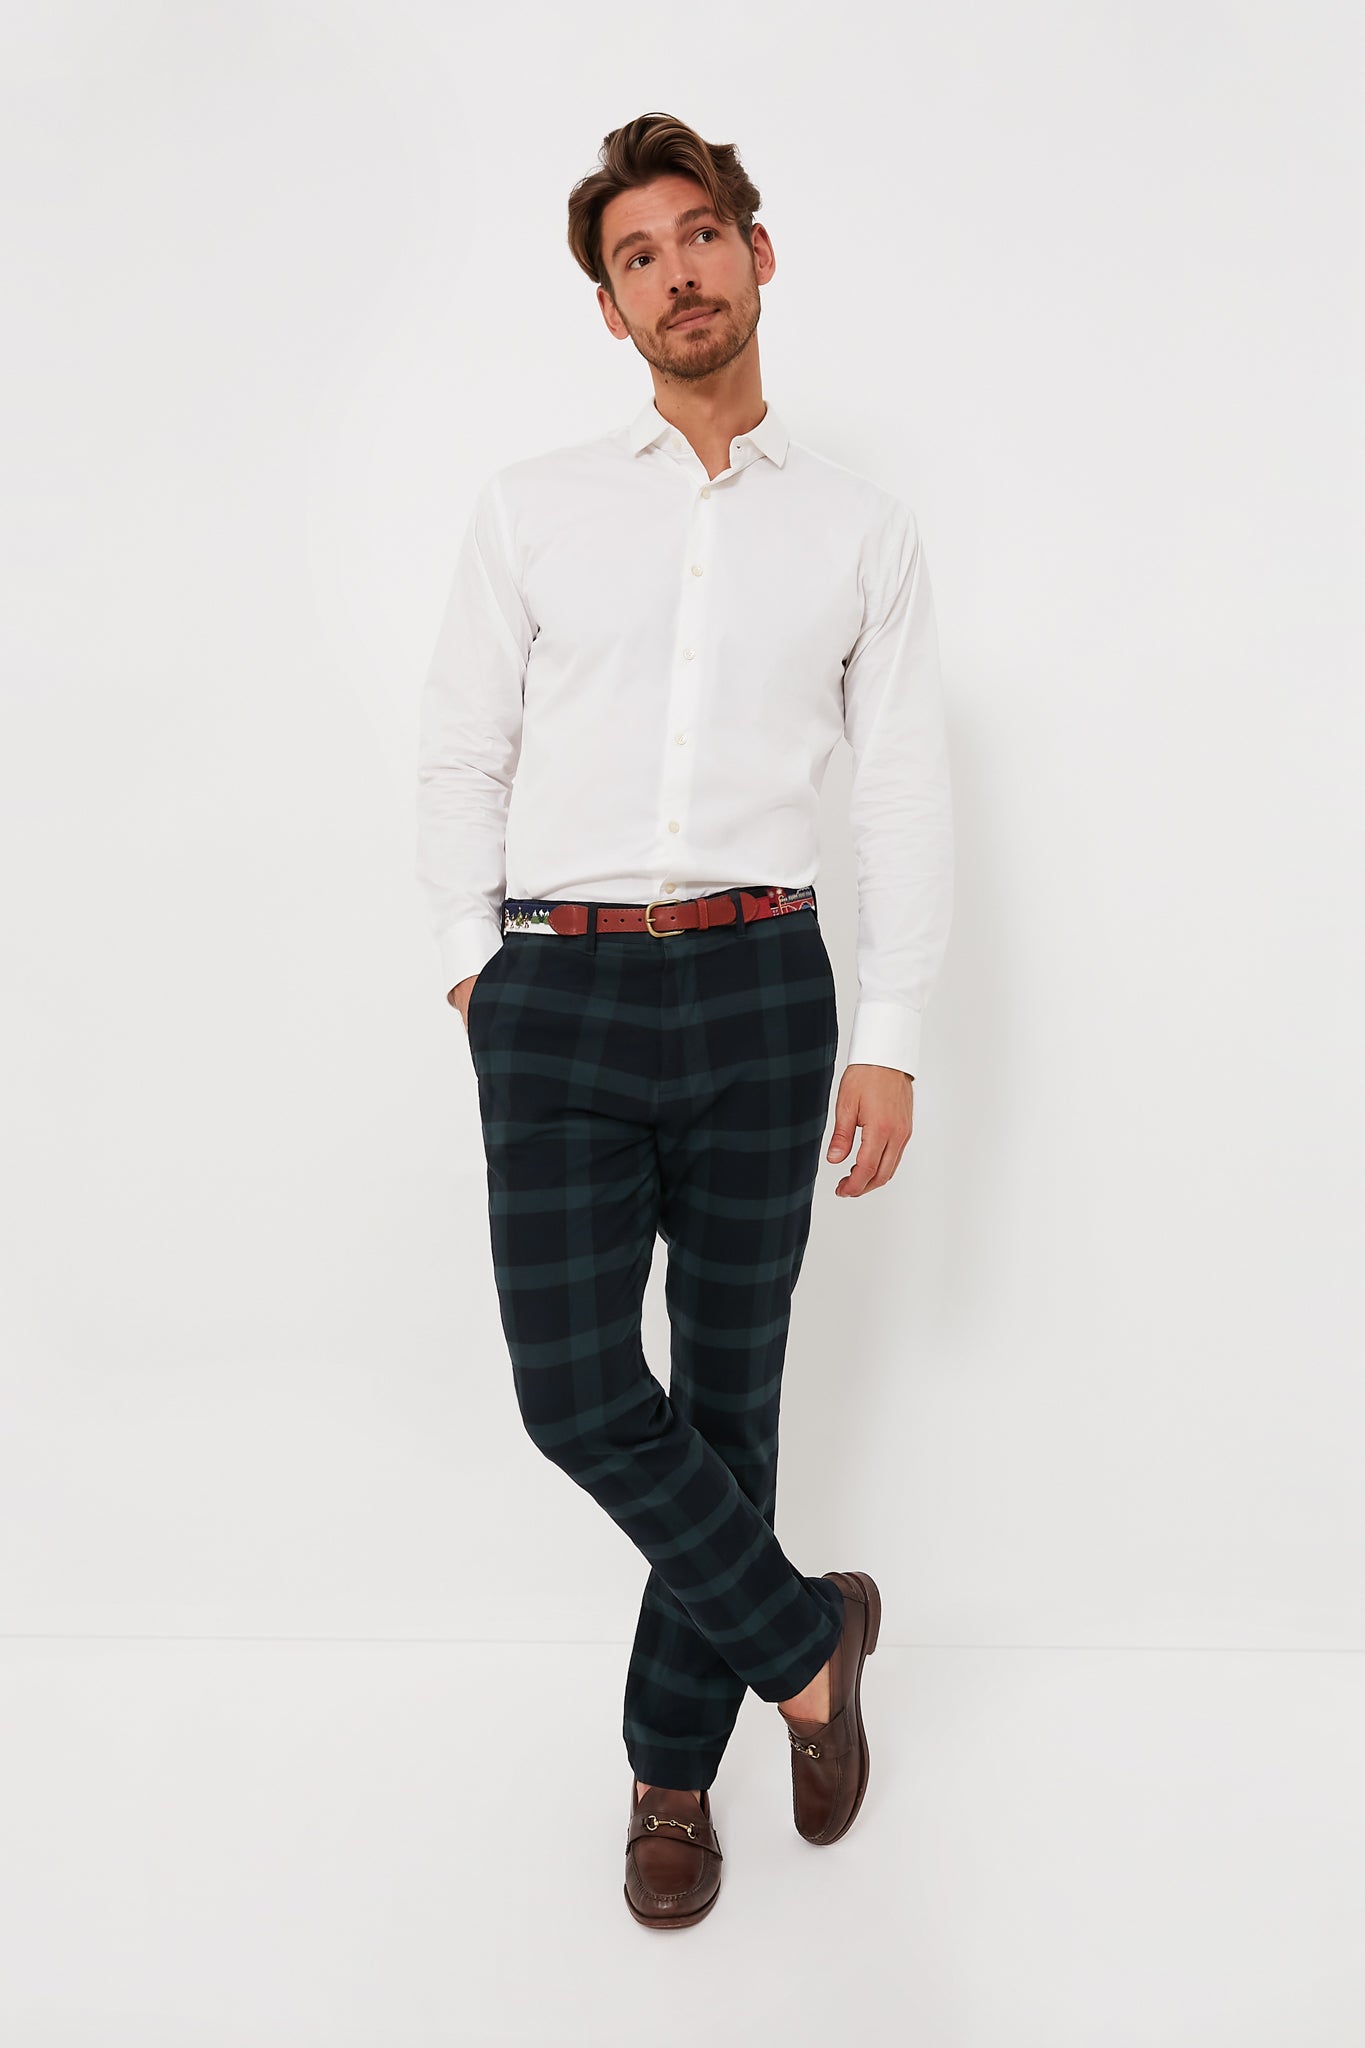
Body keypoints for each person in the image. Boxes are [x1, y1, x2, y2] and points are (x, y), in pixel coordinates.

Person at [414, 111, 954, 1929]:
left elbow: (901, 788)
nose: (675, 273)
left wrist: (889, 1028)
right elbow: (459, 750)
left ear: (756, 252)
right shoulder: (532, 506)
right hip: (557, 986)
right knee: (577, 1396)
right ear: (608, 307)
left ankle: (670, 1778)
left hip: (759, 987)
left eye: (698, 234)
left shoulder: (861, 529)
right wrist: (474, 966)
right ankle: (807, 1644)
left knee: (729, 1398)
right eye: (635, 256)